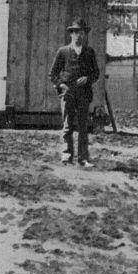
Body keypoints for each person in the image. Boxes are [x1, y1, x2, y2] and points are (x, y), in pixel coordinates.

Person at [48, 19, 102, 166]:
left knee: (83, 127)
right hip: (68, 94)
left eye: (82, 32)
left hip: (84, 94)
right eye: (76, 32)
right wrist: (61, 85)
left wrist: (87, 78)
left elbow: (96, 73)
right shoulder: (63, 51)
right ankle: (66, 156)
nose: (79, 35)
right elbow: (52, 74)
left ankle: (83, 158)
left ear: (85, 35)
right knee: (67, 126)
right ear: (71, 34)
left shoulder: (89, 52)